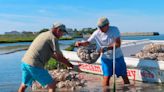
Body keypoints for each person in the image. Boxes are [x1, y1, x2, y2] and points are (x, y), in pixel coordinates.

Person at [18, 23, 76, 92]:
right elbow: (59, 56)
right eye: (63, 33)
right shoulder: (53, 38)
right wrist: (70, 65)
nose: (62, 35)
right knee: (52, 85)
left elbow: (53, 55)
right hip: (34, 64)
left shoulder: (44, 34)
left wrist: (65, 61)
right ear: (58, 30)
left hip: (25, 62)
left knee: (24, 85)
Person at [75, 17, 130, 87]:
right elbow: (88, 42)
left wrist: (107, 48)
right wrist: (81, 43)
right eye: (99, 27)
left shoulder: (114, 30)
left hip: (117, 57)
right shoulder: (96, 32)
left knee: (124, 75)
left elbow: (118, 44)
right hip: (105, 58)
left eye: (102, 27)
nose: (100, 29)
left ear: (108, 25)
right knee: (106, 77)